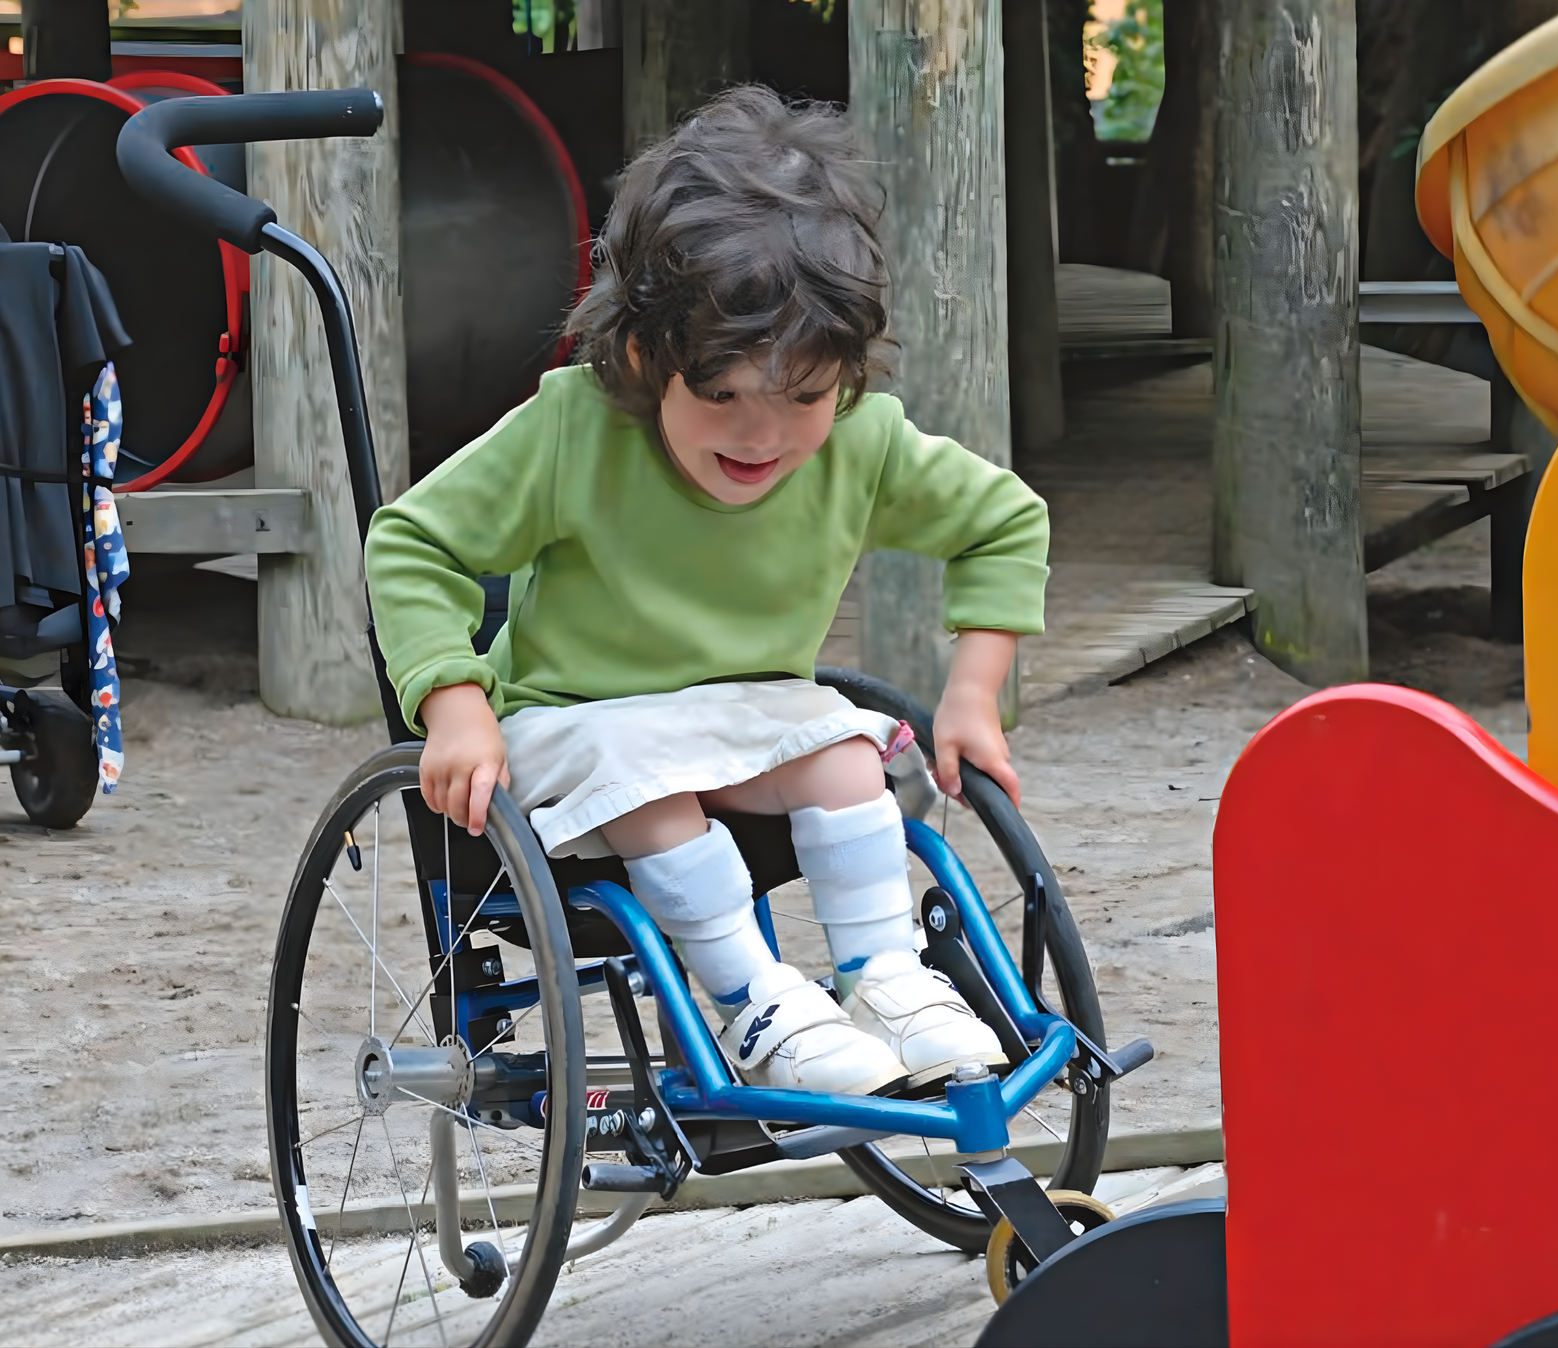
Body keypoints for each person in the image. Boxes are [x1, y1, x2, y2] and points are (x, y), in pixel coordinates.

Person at [364, 86, 1046, 1099]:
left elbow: (1004, 520)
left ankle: (889, 976)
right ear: (647, 357)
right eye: (721, 395)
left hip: (744, 711)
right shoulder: (577, 431)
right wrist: (454, 703)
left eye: (803, 398)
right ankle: (754, 1000)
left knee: (850, 753)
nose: (761, 436)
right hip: (576, 719)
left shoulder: (859, 440)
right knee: (652, 783)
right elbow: (413, 540)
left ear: (847, 375)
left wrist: (972, 695)